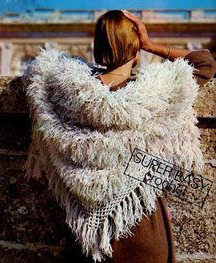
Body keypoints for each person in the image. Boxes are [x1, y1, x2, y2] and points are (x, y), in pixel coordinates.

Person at [23, 10, 216, 263]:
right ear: (136, 46)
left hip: (85, 236)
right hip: (142, 226)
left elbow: (39, 70)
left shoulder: (67, 94)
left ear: (98, 44)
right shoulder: (155, 94)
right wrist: (149, 44)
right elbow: (204, 62)